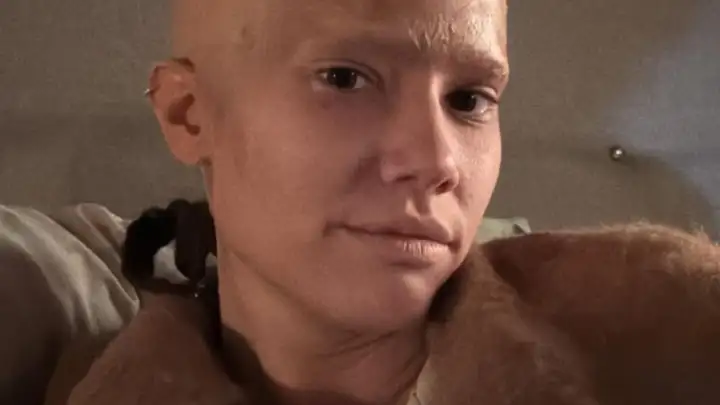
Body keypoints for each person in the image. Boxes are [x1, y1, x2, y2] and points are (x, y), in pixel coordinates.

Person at [49, 0, 720, 404]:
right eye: (345, 78)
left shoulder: (671, 332)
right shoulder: (73, 379)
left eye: (470, 99)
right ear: (190, 115)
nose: (437, 161)